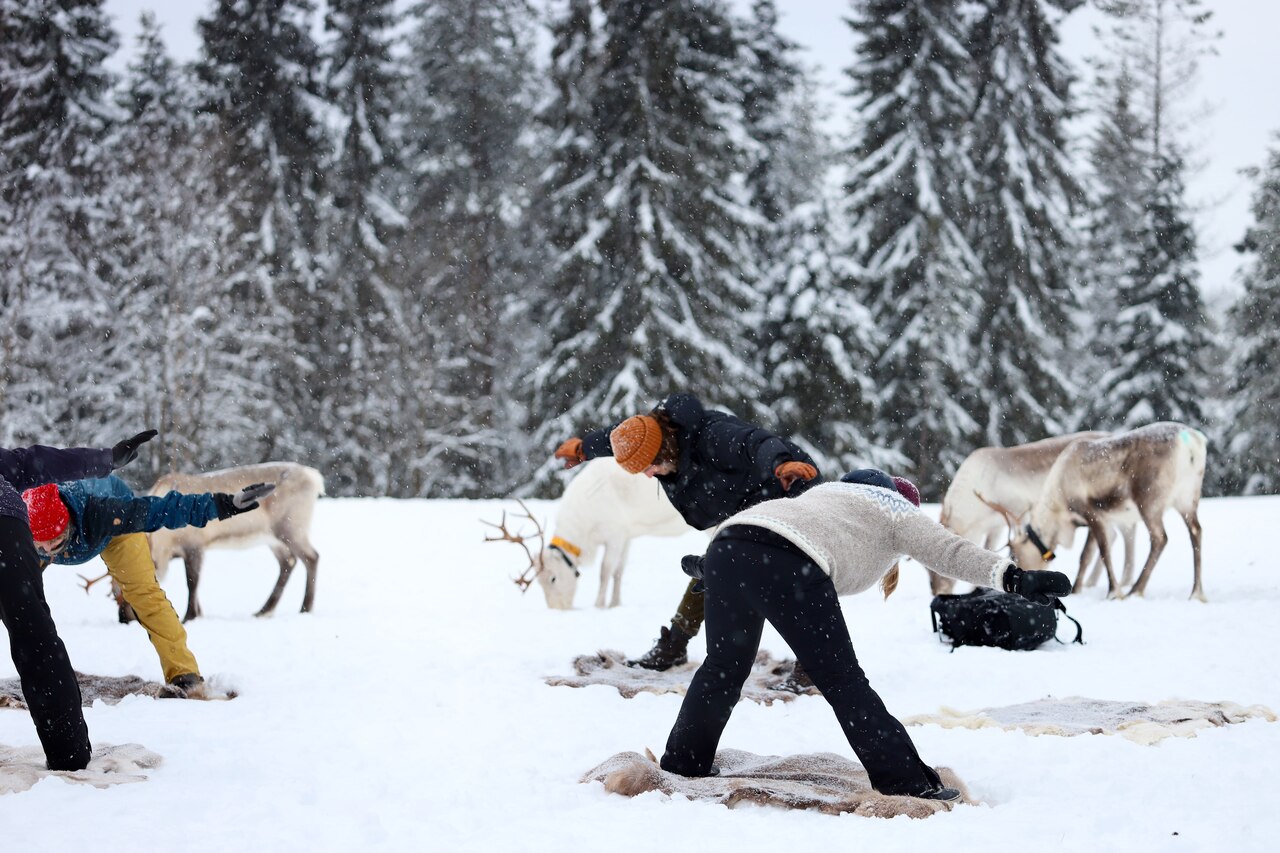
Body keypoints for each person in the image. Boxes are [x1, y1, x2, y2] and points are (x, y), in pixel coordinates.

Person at [660, 468, 1072, 801]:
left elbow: (760, 523)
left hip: (729, 547)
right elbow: (951, 552)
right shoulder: (895, 509)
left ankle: (685, 761)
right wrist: (1015, 578)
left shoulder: (822, 495)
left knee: (723, 668)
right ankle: (907, 782)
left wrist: (712, 564)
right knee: (842, 681)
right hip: (788, 558)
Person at [554, 393, 821, 671]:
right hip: (747, 501)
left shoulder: (712, 436)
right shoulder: (653, 435)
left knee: (782, 576)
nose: (648, 475)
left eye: (649, 467)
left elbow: (755, 443)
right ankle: (674, 647)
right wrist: (584, 448)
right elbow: (618, 438)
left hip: (789, 483)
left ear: (663, 451)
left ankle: (815, 661)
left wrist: (780, 463)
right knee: (717, 564)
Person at [22, 475, 275, 696]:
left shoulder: (102, 512)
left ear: (69, 524)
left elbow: (164, 509)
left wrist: (223, 504)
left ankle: (183, 673)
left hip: (113, 532)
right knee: (16, 595)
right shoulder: (19, 526)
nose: (49, 552)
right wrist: (39, 549)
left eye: (55, 543)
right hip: (29, 538)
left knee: (145, 595)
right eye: (41, 547)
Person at [0, 430, 155, 771]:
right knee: (33, 633)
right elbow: (39, 462)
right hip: (5, 525)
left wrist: (105, 461)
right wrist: (106, 460)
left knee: (33, 633)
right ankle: (69, 754)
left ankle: (70, 755)